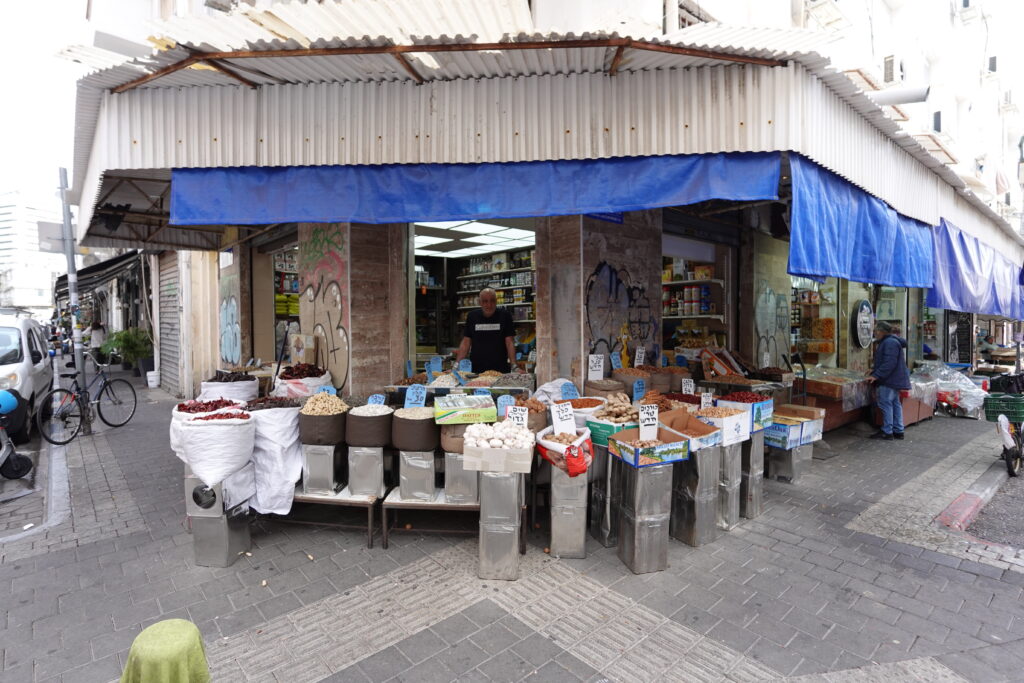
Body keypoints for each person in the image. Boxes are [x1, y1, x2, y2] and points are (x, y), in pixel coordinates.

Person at [455, 288, 517, 373]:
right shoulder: (472, 316)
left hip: (500, 370)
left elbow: (509, 342)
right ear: (480, 302)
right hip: (476, 370)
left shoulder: (505, 316)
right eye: (485, 301)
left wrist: (514, 366)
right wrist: (456, 366)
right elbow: (466, 342)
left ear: (496, 301)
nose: (489, 305)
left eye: (492, 301)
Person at [866, 321, 910, 440]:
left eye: (876, 331)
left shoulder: (889, 342)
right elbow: (887, 361)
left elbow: (889, 363)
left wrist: (876, 375)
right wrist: (874, 369)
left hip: (889, 380)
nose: (875, 333)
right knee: (895, 404)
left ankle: (887, 431)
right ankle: (898, 430)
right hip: (894, 379)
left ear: (882, 331)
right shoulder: (891, 341)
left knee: (886, 404)